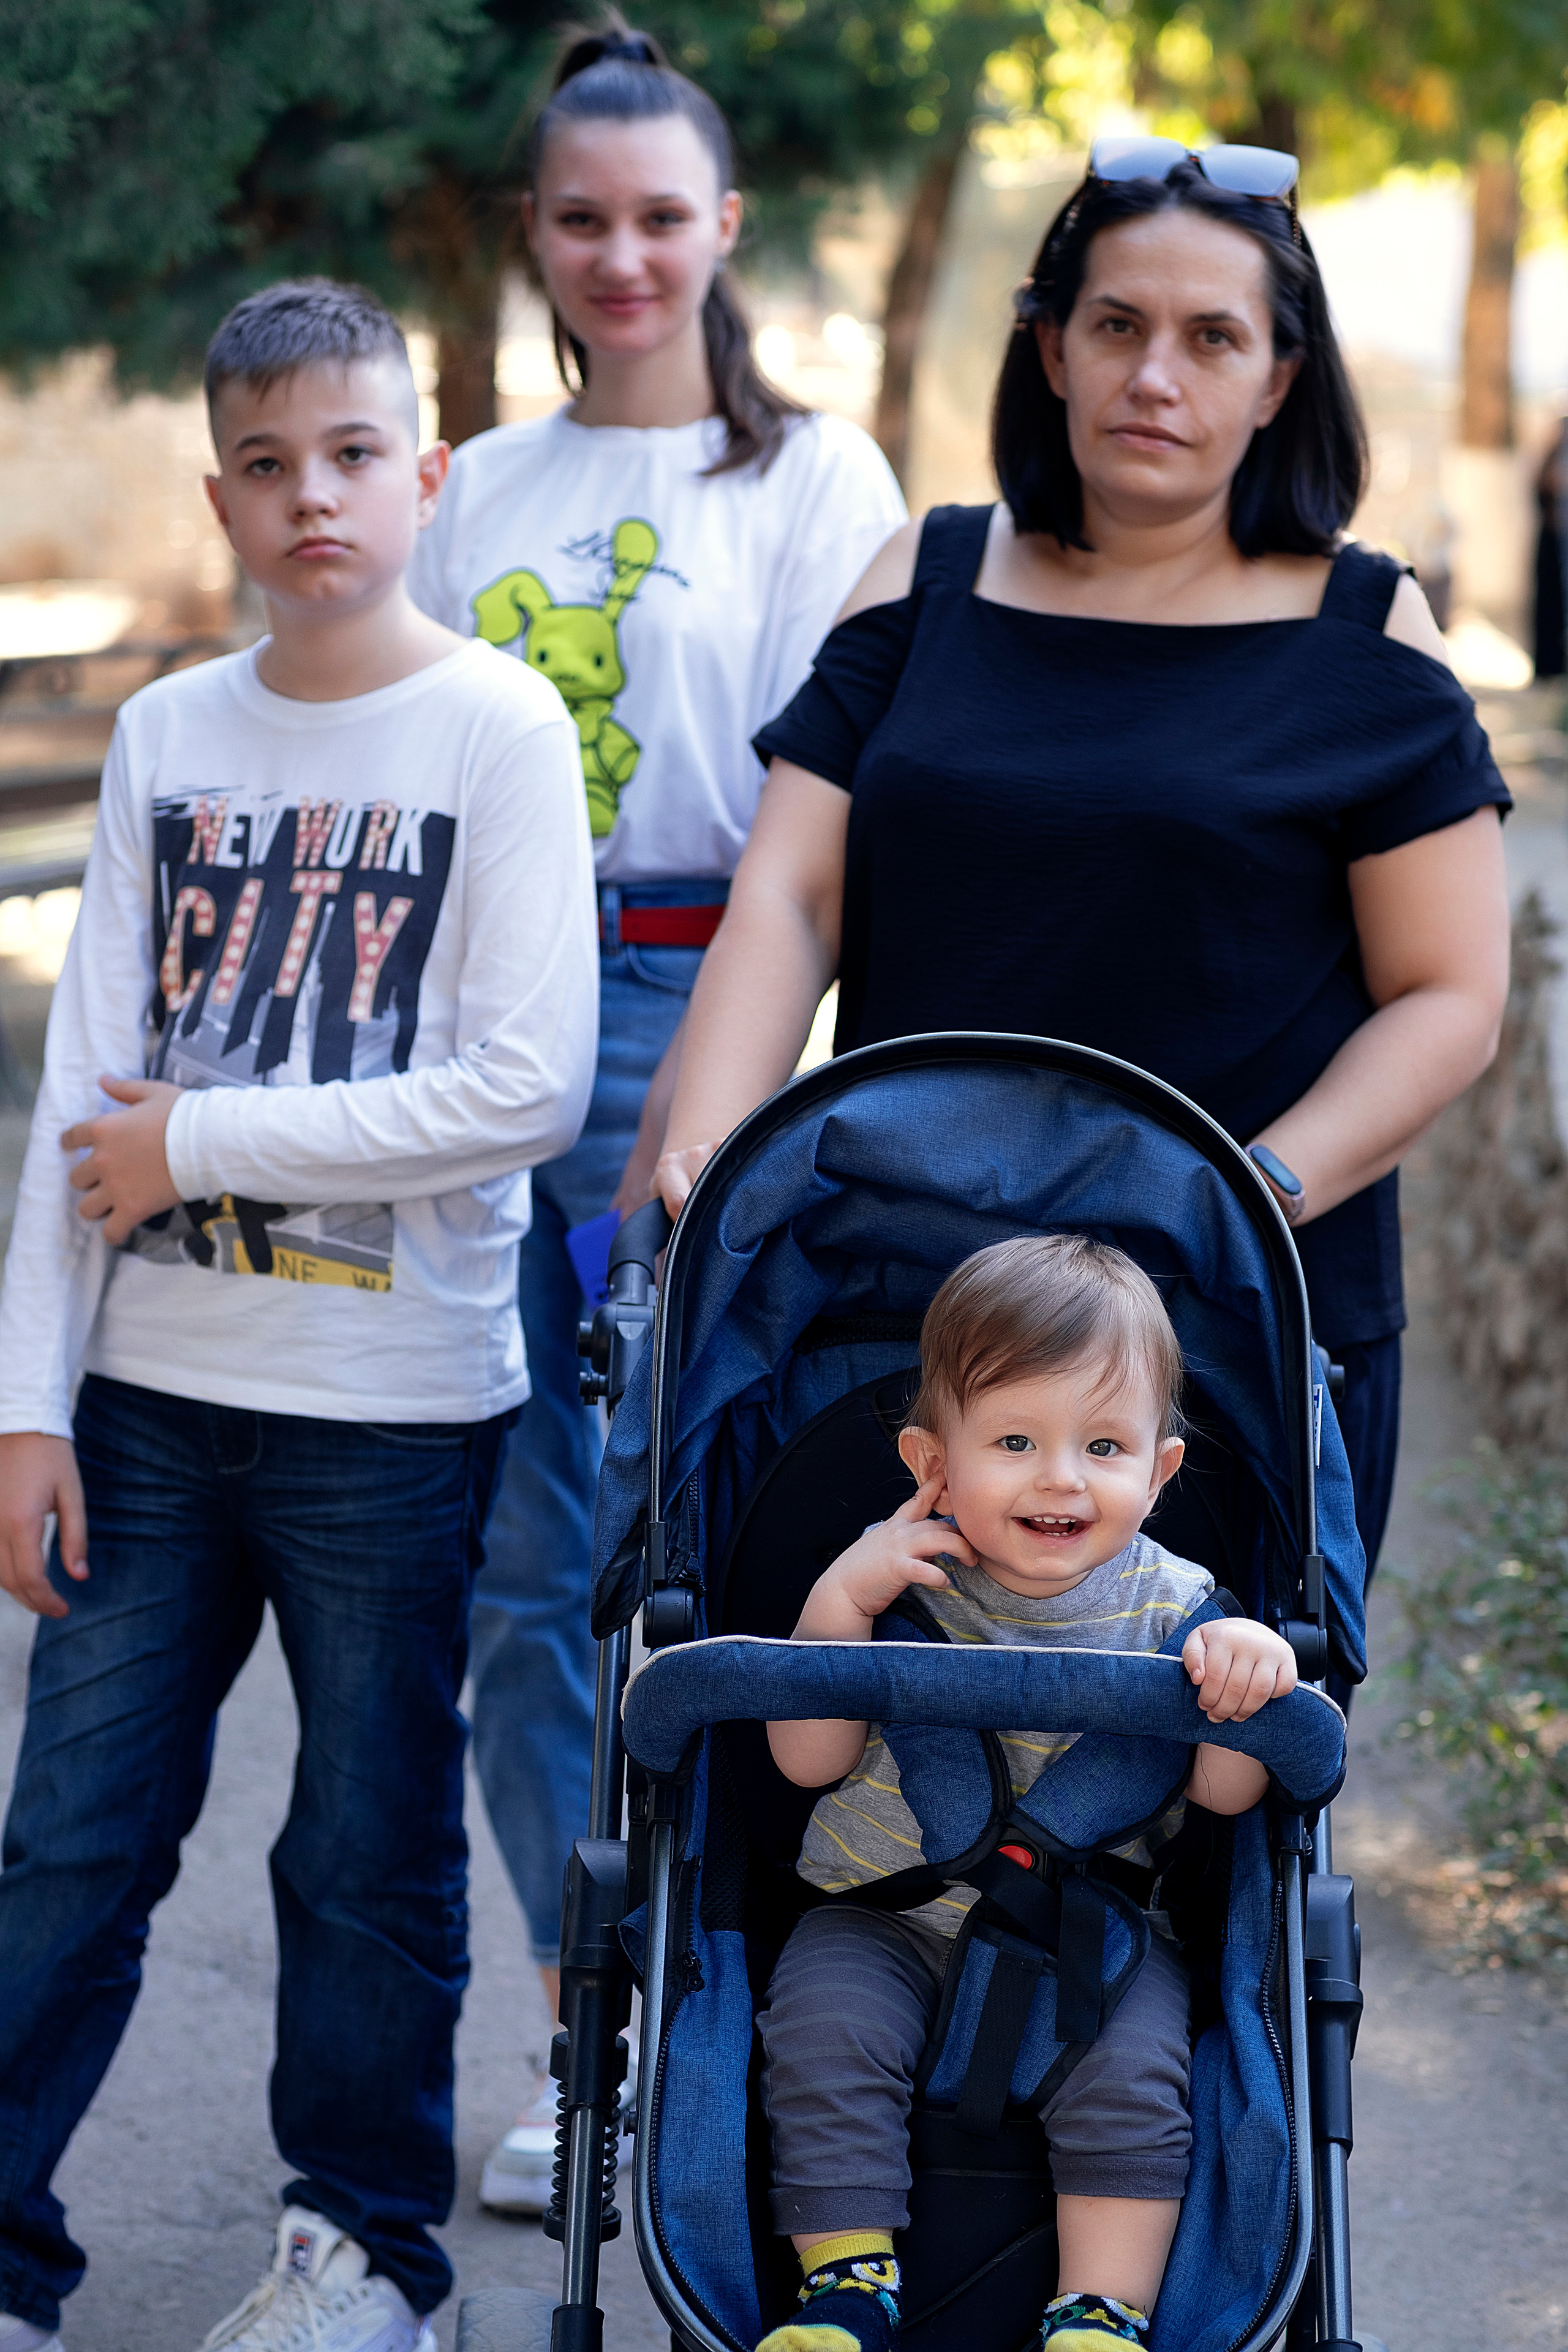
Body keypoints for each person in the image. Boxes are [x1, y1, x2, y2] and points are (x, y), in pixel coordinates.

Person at [655, 135, 1514, 1626]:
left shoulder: (1369, 635)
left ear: (1279, 376)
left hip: (1233, 1325)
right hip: (902, 1313)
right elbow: (789, 899)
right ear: (1048, 345)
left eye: (1210, 337)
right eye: (1115, 325)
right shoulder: (919, 578)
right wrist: (715, 1152)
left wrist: (1249, 1193)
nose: (1154, 375)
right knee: (837, 1757)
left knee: (1208, 1809)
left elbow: (1448, 996)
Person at [0, 279, 597, 2352]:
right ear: (221, 493)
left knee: (364, 1851)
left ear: (426, 477)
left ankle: (366, 2255)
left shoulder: (497, 727)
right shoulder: (174, 734)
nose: (311, 496)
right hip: (149, 1399)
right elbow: (83, 1098)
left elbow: (524, 1087)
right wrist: (27, 1405)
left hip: (393, 1405)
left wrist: (215, 1146)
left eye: (352, 455)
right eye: (267, 464)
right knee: (67, 1845)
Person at [407, 17, 905, 2209]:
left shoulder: (819, 490)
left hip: (710, 1013)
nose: (624, 257)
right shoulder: (476, 491)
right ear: (537, 235)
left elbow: (825, 835)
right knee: (516, 1579)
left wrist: (711, 1089)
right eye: (583, 219)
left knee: (680, 1548)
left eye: (662, 218)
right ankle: (564, 2025)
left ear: (729, 231)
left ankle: (729, 2007)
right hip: (478, 1028)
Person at [755, 1234, 1297, 2352]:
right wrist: (840, 1608)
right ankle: (847, 2285)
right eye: (1015, 1441)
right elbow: (806, 1764)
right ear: (933, 1464)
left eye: (1104, 1446)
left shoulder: (1185, 1611)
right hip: (885, 1914)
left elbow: (1227, 1799)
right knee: (821, 2027)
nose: (1061, 1478)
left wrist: (1251, 1682)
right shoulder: (898, 1579)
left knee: (1139, 2074)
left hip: (1093, 1935)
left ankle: (1101, 2314)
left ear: (1161, 1472)